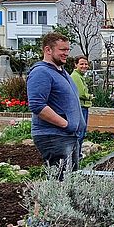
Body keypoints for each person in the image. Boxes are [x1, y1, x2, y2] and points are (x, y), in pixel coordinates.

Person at [27, 32, 85, 176]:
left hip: (68, 136)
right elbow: (37, 105)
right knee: (61, 183)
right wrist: (66, 124)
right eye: (62, 50)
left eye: (67, 49)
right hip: (53, 136)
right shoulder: (41, 72)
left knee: (70, 181)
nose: (66, 53)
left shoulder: (61, 72)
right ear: (48, 50)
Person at [70, 56, 93, 160]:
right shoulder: (75, 76)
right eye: (82, 64)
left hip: (83, 106)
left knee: (81, 132)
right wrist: (90, 96)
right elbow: (81, 93)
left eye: (86, 64)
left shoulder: (80, 76)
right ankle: (75, 156)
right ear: (76, 65)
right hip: (80, 107)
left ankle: (76, 155)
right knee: (80, 132)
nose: (84, 66)